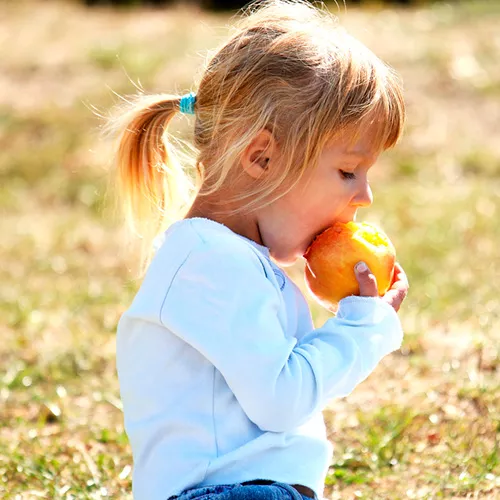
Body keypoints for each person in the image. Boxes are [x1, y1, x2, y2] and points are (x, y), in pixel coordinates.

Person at [109, 0, 409, 499]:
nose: (365, 196)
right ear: (262, 156)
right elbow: (281, 398)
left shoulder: (228, 259)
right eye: (347, 172)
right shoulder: (210, 262)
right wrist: (362, 328)